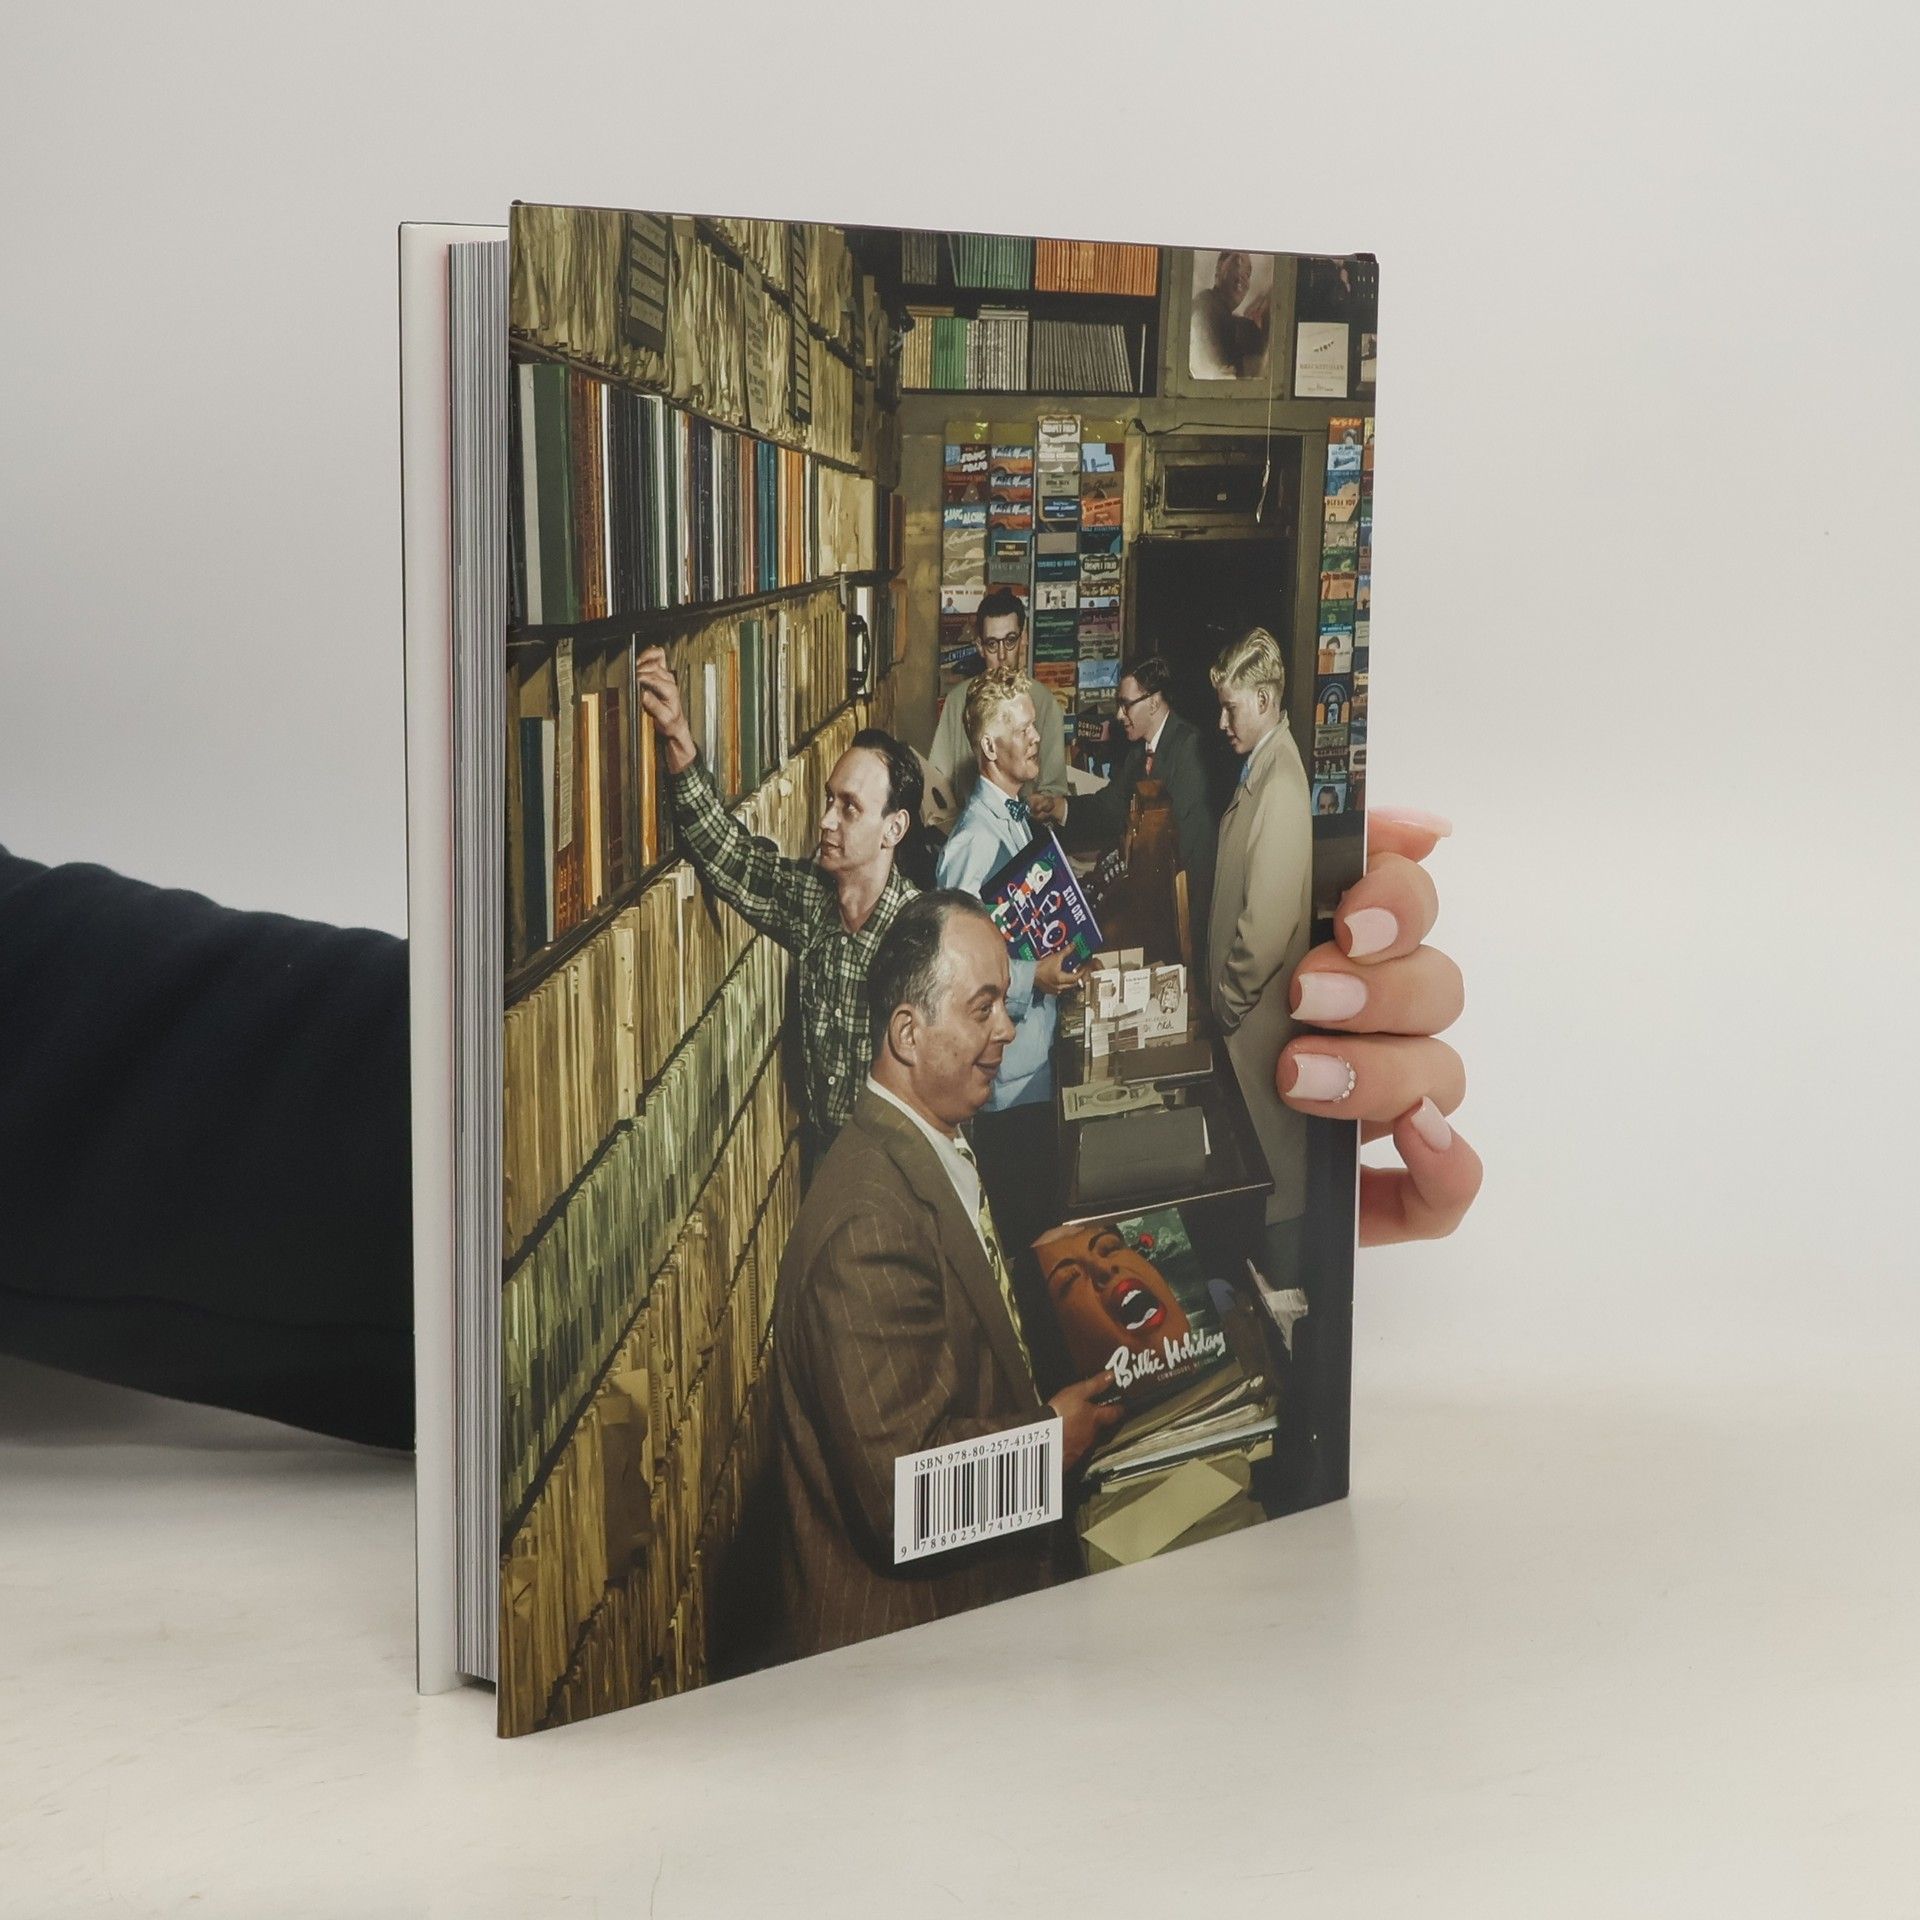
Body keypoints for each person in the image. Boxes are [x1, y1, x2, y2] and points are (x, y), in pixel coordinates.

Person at [0, 802, 1476, 1448]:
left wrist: (1225, 1177)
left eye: (859, 811)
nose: (834, 828)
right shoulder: (854, 939)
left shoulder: (919, 952)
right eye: (831, 810)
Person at [771, 890, 1123, 1658]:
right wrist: (1050, 1444)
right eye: (982, 1009)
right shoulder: (866, 1229)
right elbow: (907, 1502)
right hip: (918, 1643)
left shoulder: (926, 1139)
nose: (1008, 1028)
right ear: (909, 1033)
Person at [633, 645, 929, 1156]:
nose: (826, 820)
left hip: (894, 1168)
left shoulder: (922, 938)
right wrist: (677, 734)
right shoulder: (815, 901)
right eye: (830, 799)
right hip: (827, 1159)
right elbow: (731, 858)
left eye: (850, 808)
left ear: (893, 829)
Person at [1206, 627, 1315, 1285]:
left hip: (1256, 1024)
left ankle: (1284, 1319)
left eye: (1232, 709)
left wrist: (1226, 1000)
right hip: (1247, 1028)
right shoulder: (1263, 767)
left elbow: (1266, 928)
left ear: (1266, 702)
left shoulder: (1280, 782)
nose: (1222, 723)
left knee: (1279, 1192)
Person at [1030, 653, 1217, 969]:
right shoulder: (1139, 752)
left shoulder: (1189, 748)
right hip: (1147, 904)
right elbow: (1110, 808)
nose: (1119, 715)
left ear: (1153, 703)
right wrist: (1058, 807)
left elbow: (1190, 854)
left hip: (1177, 917)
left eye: (1126, 704)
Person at [924, 589, 1070, 815]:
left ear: (1024, 639)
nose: (1002, 655)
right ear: (979, 646)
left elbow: (1054, 790)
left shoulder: (1045, 703)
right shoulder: (957, 701)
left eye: (1010, 641)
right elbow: (937, 783)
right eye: (992, 644)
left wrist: (1037, 806)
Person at [1190, 249, 1271, 380]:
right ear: (1218, 269)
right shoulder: (1205, 303)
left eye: (1248, 274)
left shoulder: (1236, 322)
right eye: (1237, 263)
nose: (1243, 275)